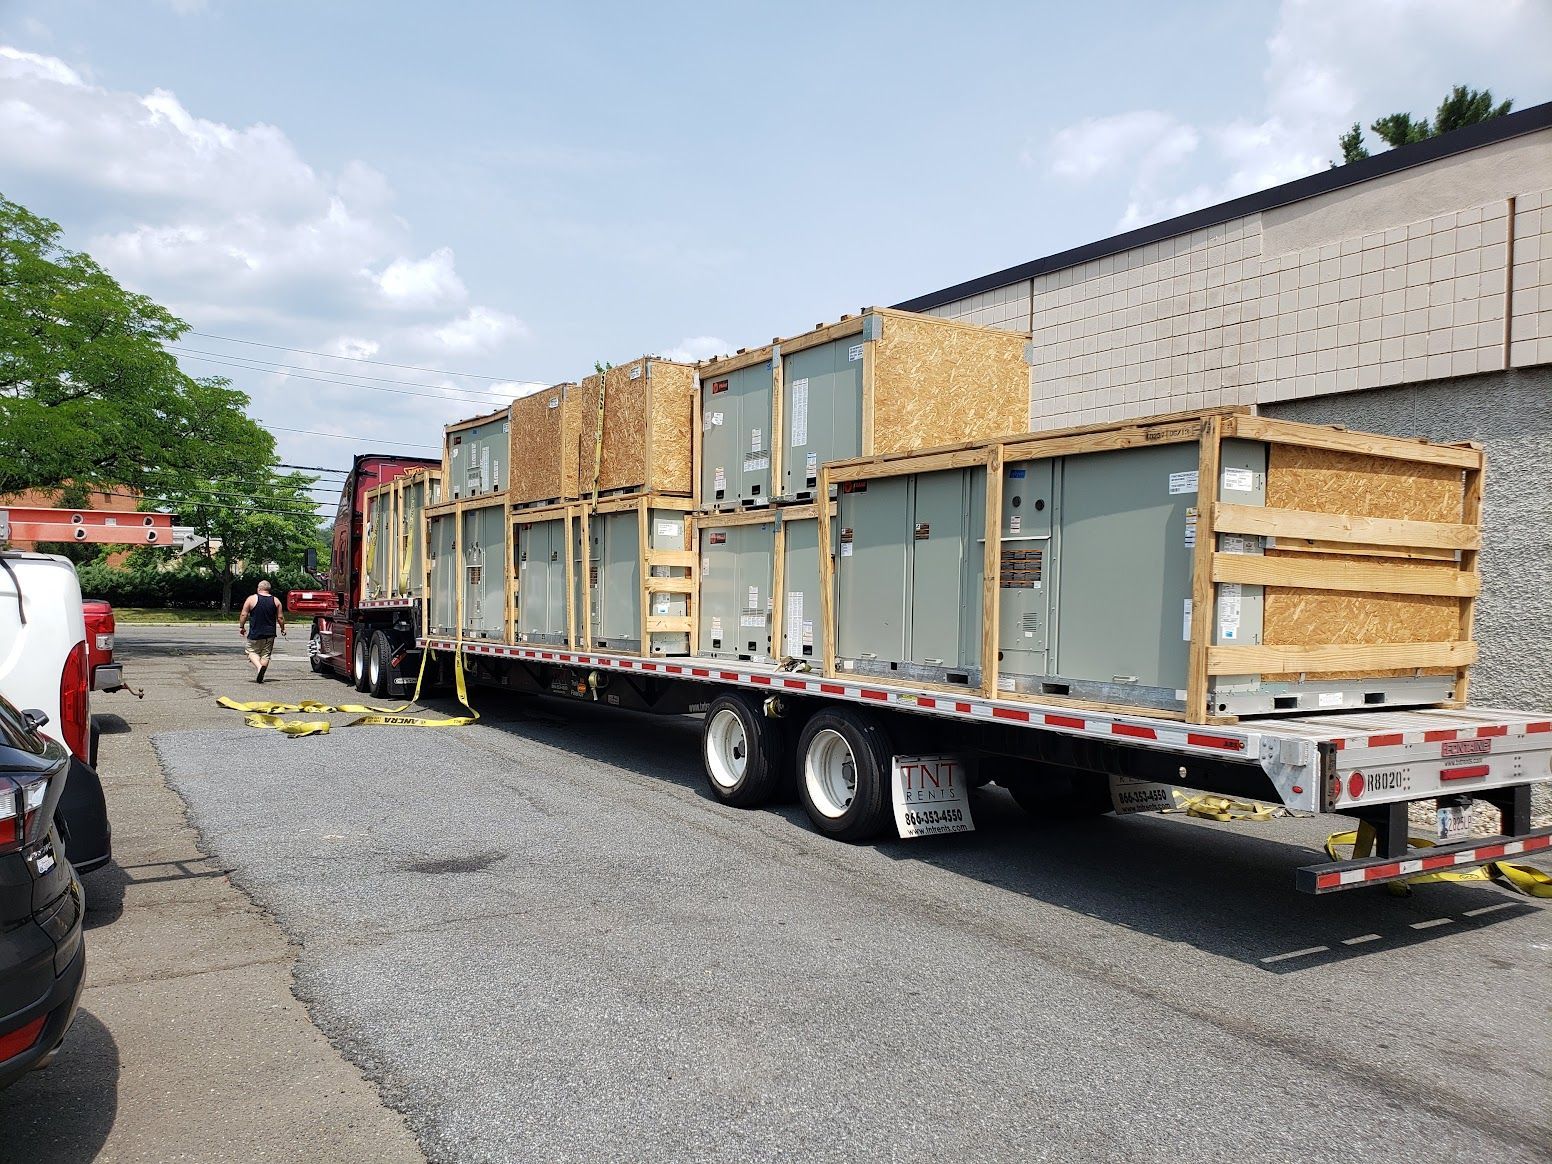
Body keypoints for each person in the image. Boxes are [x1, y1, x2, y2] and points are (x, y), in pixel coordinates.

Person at [238, 580, 286, 683]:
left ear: (258, 589)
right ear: (269, 590)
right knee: (266, 655)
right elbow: (280, 617)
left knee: (251, 651)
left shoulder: (251, 599)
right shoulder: (276, 601)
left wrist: (241, 626)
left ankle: (259, 667)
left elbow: (243, 614)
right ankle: (262, 671)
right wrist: (282, 629)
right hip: (270, 634)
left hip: (256, 633)